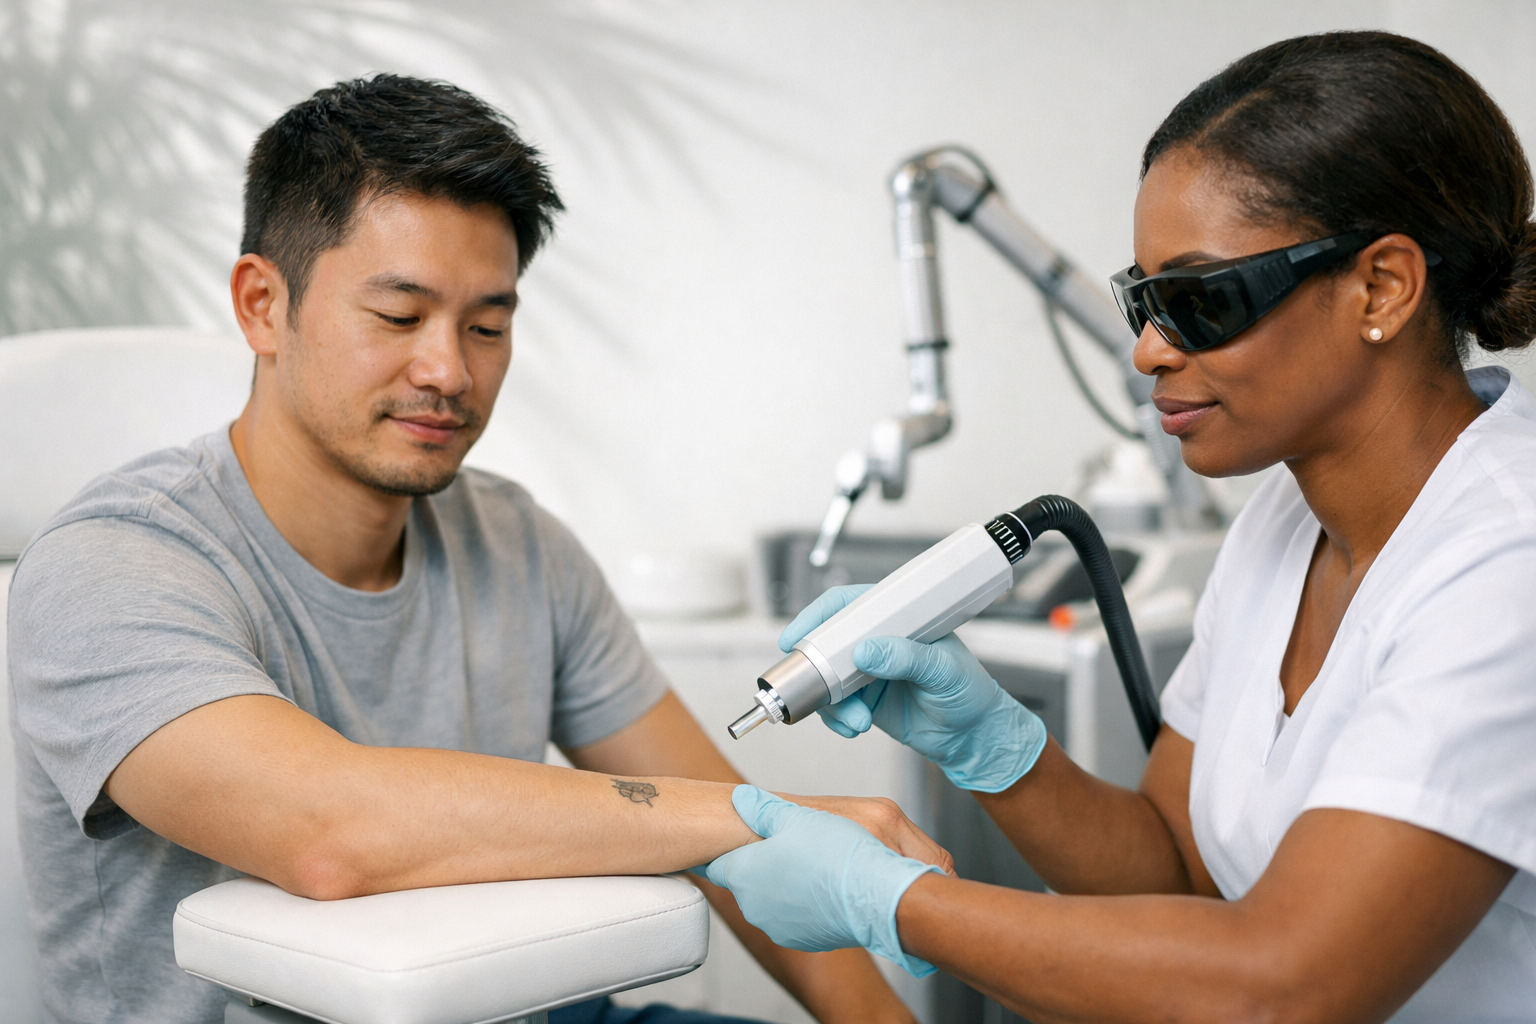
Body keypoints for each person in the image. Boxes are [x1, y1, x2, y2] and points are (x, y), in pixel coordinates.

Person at [5, 75, 947, 1024]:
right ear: (262, 305)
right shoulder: (108, 566)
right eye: (400, 316)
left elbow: (742, 867)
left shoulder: (522, 546)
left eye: (488, 326)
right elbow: (328, 832)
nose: (450, 371)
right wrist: (760, 822)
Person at [703, 31, 1536, 1024]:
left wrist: (891, 904)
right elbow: (1176, 869)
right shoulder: (1279, 521)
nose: (1146, 350)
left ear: (1381, 286)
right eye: (1143, 299)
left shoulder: (1506, 559)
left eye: (1197, 301)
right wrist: (997, 748)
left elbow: (1286, 985)